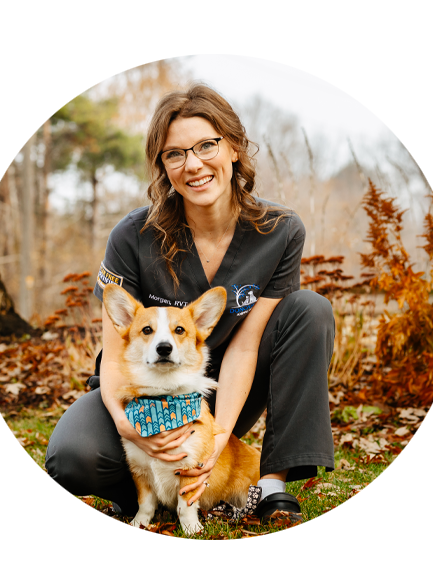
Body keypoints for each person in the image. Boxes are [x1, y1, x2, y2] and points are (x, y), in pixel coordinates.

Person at [45, 83, 336, 521]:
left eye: (206, 145)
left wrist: (216, 437)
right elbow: (112, 351)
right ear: (163, 166)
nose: (193, 164)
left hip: (224, 388)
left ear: (234, 147)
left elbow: (245, 345)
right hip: (141, 392)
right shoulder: (132, 235)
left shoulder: (280, 230)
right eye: (175, 154)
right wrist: (127, 425)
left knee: (310, 310)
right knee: (72, 458)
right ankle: (149, 484)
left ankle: (271, 484)